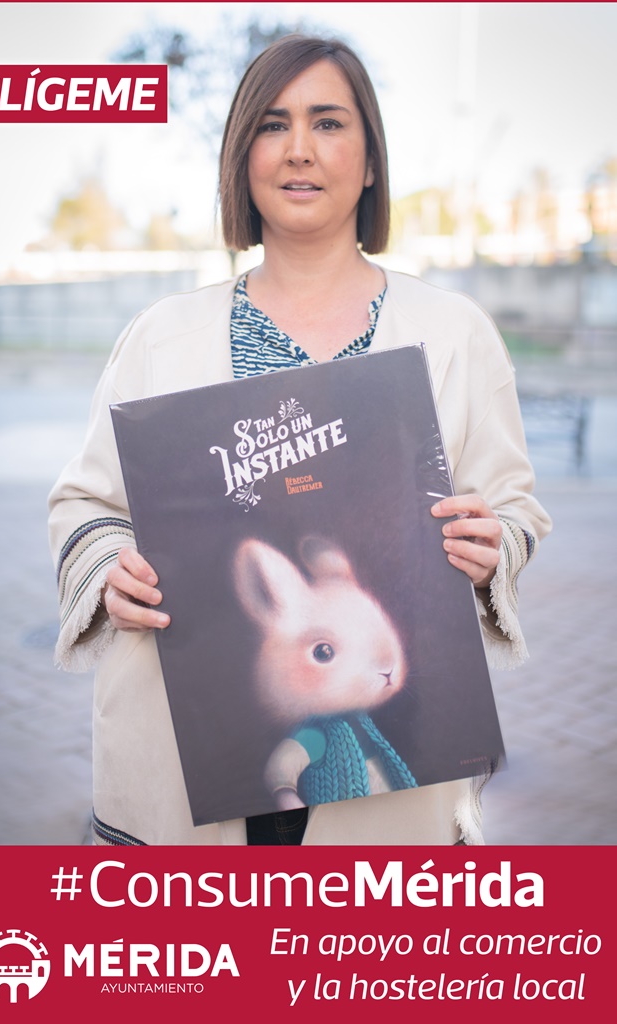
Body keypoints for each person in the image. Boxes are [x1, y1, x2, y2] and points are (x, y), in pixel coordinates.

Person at [48, 34, 551, 847]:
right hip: (188, 754)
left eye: (329, 123)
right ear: (243, 156)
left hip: (396, 765)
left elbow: (515, 504)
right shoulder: (160, 335)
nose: (301, 151)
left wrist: (496, 542)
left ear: (371, 159)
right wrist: (110, 571)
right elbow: (88, 500)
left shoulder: (454, 333)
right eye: (273, 125)